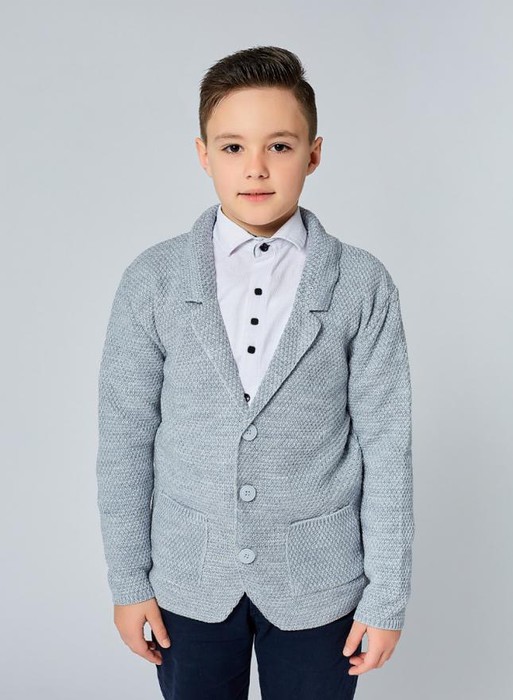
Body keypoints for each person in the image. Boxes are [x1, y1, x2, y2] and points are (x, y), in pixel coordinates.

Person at [96, 45, 415, 700]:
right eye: (234, 147)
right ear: (203, 154)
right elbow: (125, 440)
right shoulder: (153, 280)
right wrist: (128, 581)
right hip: (189, 577)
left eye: (280, 146)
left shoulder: (361, 283)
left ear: (314, 154)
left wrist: (387, 596)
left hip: (319, 582)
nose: (257, 168)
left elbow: (387, 447)